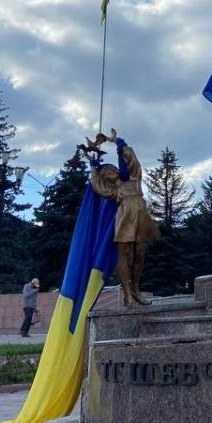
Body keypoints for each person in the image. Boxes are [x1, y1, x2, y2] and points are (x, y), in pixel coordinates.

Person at [84, 129, 159, 306]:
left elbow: (132, 160)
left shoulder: (134, 177)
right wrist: (94, 167)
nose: (108, 170)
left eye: (111, 168)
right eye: (105, 171)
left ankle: (136, 290)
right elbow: (97, 186)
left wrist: (119, 143)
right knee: (124, 254)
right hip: (124, 215)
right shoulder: (113, 190)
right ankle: (127, 294)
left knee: (140, 254)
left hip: (141, 213)